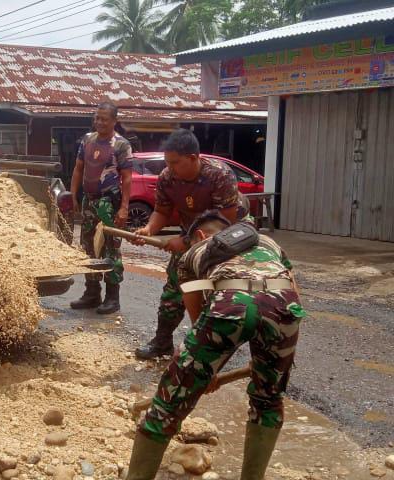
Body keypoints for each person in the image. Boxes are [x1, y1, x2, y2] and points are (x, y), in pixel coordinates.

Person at [126, 210, 304, 480]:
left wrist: (204, 369)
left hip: (230, 301)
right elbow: (293, 292)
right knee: (268, 401)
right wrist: (282, 351)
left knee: (166, 407)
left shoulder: (191, 255)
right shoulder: (268, 242)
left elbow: (198, 316)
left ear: (199, 235)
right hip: (283, 306)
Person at [131, 129, 242, 360]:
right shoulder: (167, 178)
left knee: (219, 292)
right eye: (167, 162)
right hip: (191, 235)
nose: (169, 168)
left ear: (193, 158)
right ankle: (162, 343)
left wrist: (184, 241)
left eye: (175, 163)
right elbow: (162, 211)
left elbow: (226, 219)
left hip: (224, 239)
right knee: (174, 289)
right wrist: (149, 229)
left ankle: (214, 347)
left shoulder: (220, 175)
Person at [69, 101, 133, 314]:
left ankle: (112, 297)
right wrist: (73, 195)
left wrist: (124, 208)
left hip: (109, 204)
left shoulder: (121, 145)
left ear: (115, 121)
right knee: (88, 247)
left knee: (110, 248)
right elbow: (78, 169)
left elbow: (127, 178)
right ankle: (92, 293)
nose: (99, 122)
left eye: (104, 119)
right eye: (97, 118)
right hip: (89, 200)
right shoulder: (87, 140)